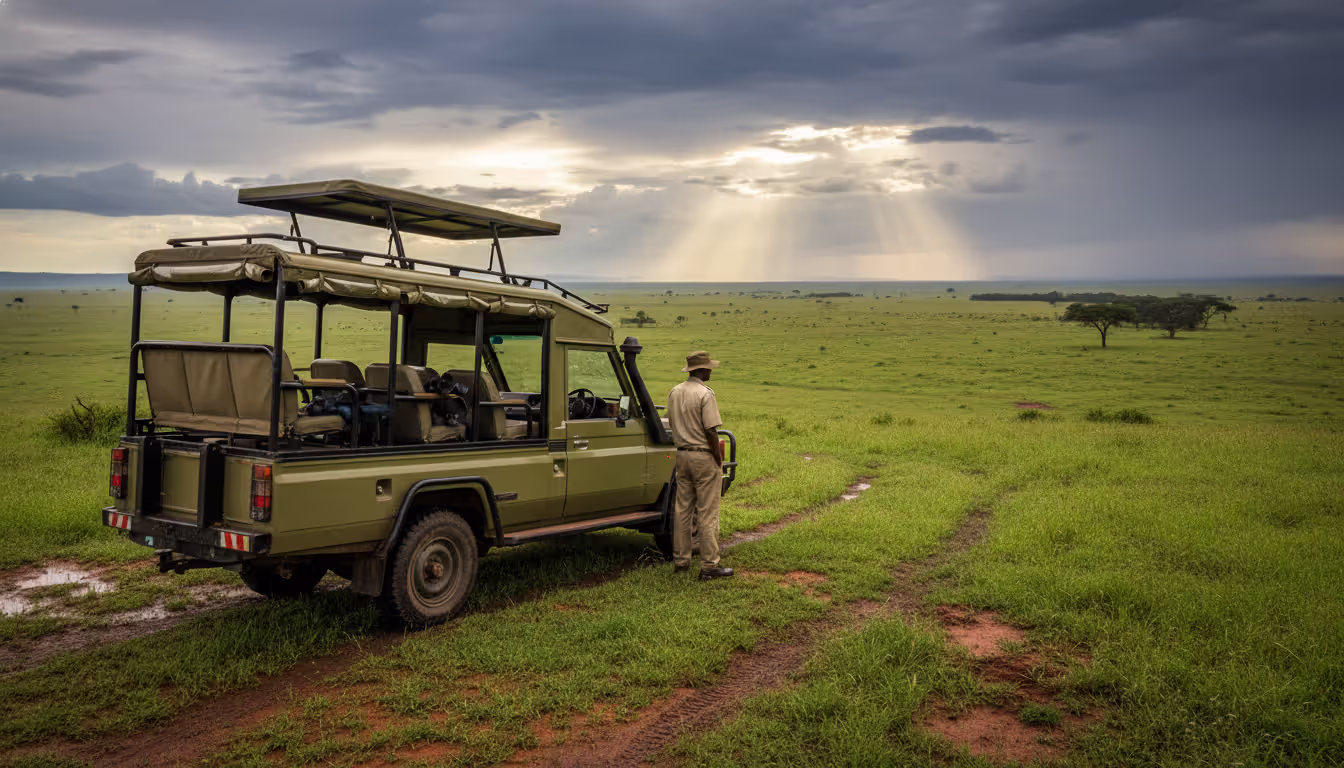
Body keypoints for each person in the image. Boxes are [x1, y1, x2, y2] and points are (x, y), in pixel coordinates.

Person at [666, 350, 733, 580]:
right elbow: (711, 430)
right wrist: (718, 458)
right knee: (708, 512)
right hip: (703, 456)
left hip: (682, 456)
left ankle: (681, 561)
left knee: (682, 510)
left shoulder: (675, 392)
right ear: (701, 370)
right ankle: (709, 566)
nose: (711, 370)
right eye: (708, 367)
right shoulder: (705, 394)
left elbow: (672, 423)